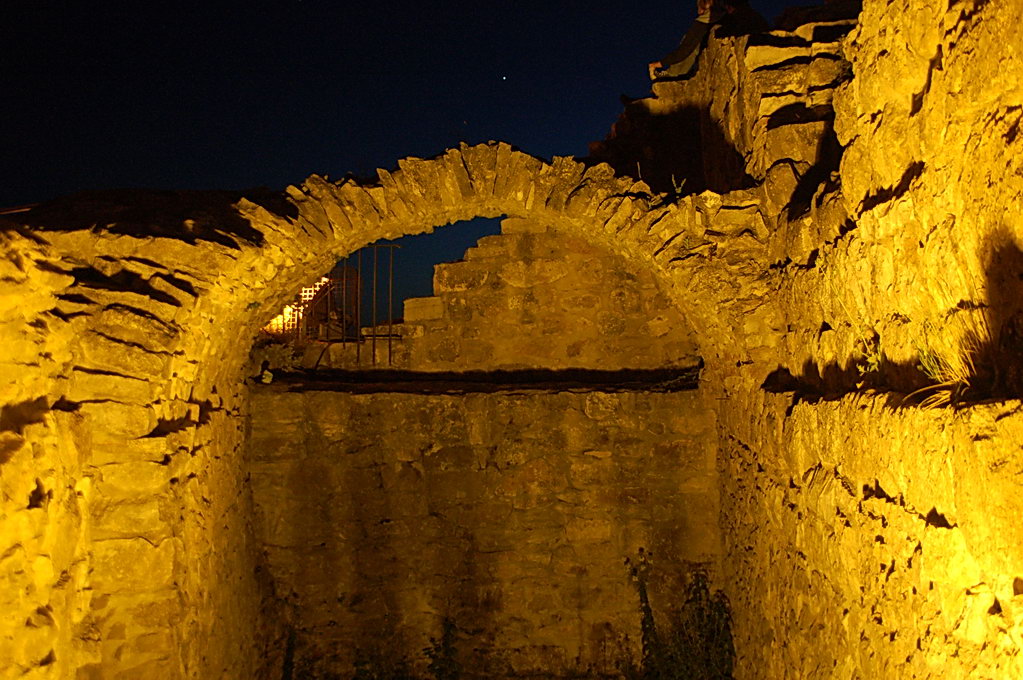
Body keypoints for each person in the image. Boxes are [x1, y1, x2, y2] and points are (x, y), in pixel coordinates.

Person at [650, 0, 767, 79]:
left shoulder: (704, 22)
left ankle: (673, 73)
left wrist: (659, 64)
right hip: (754, 38)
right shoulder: (736, 14)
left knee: (691, 44)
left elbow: (685, 49)